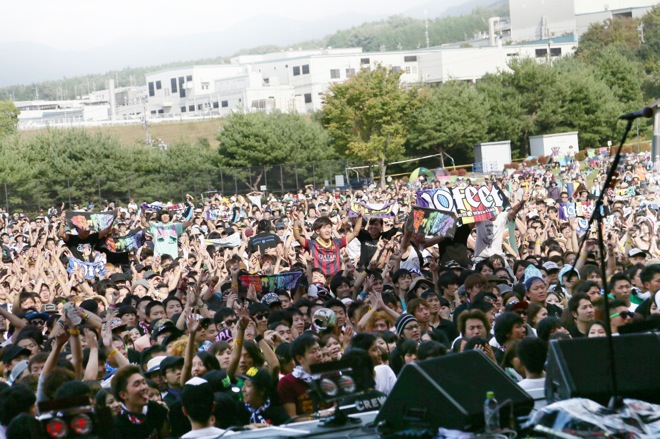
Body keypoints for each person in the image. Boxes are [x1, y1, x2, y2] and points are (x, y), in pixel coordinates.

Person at [112, 364, 170, 438]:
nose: (143, 387)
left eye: (144, 382)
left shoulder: (155, 408)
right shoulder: (117, 426)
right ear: (123, 395)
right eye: (137, 384)